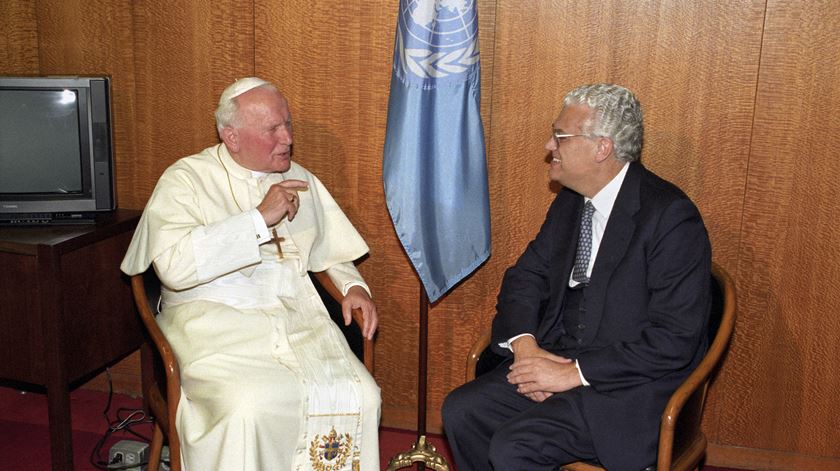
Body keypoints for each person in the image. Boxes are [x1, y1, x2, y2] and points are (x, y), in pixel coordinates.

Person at [442, 83, 711, 470]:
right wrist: (526, 348)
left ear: (602, 148)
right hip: (556, 356)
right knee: (463, 411)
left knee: (514, 446)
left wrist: (573, 374)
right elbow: (524, 278)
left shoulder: (670, 218)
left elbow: (674, 340)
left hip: (624, 388)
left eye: (561, 136)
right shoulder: (572, 201)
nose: (550, 146)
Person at [121, 77, 381, 471]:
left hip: (294, 319)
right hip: (212, 324)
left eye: (288, 124)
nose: (288, 139)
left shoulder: (300, 178)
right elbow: (172, 267)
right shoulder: (186, 179)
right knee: (248, 405)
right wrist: (259, 219)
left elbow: (328, 249)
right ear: (232, 137)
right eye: (272, 129)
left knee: (362, 395)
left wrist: (353, 285)